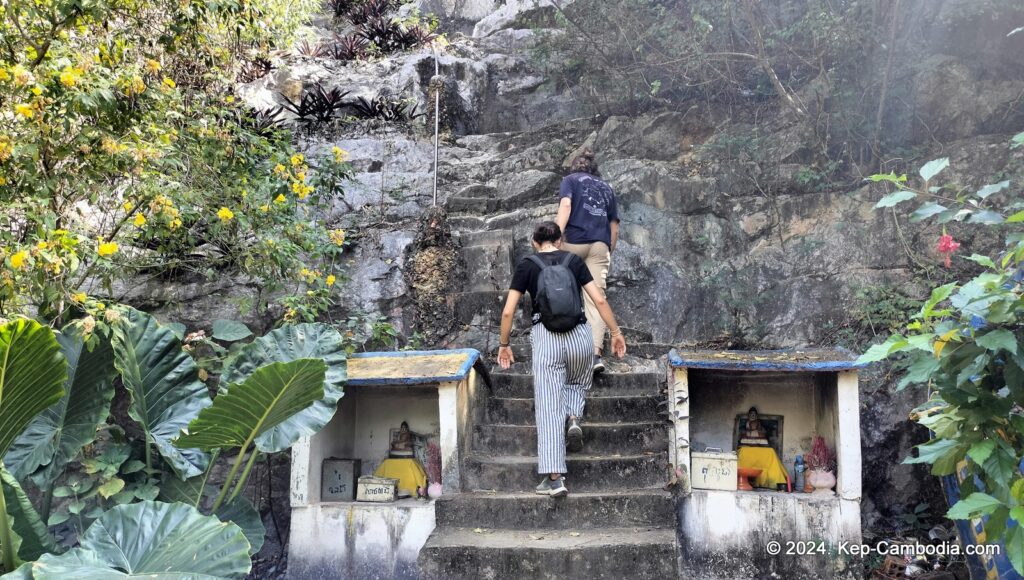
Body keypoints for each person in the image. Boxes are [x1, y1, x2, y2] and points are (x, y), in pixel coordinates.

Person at [497, 221, 627, 498]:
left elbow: (508, 312)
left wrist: (504, 344)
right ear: (560, 240)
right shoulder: (573, 261)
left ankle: (555, 479)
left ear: (534, 242)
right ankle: (572, 415)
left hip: (546, 338)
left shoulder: (527, 265)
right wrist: (615, 332)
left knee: (547, 408)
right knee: (578, 381)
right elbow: (599, 301)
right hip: (581, 336)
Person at [556, 149, 620, 374]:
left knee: (562, 289)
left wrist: (557, 235)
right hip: (599, 245)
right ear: (594, 169)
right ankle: (594, 355)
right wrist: (607, 249)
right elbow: (614, 225)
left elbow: (566, 206)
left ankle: (564, 350)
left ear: (575, 167)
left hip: (573, 241)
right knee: (596, 297)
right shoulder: (607, 188)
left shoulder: (570, 180)